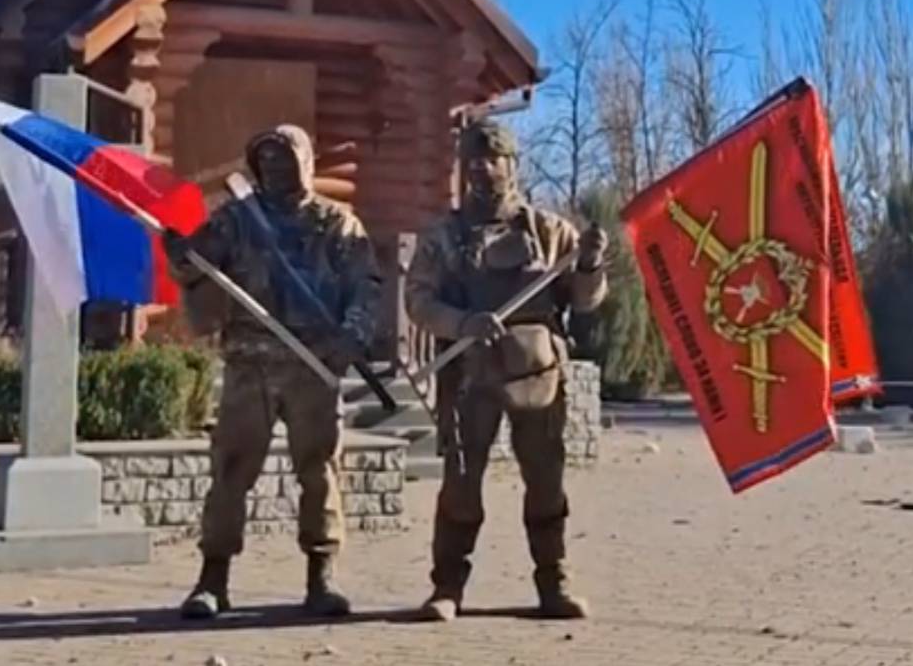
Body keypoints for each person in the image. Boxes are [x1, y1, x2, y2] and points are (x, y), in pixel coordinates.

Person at [165, 125, 381, 620]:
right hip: (250, 362)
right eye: (268, 161)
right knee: (231, 470)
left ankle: (321, 577)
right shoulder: (237, 220)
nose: (278, 169)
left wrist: (352, 333)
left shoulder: (336, 223)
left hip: (312, 364)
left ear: (306, 161)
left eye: (286, 159)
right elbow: (196, 264)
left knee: (320, 471)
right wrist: (180, 256)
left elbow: (364, 285)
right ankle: (212, 580)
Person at [407, 118, 609, 622]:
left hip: (537, 375)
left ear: (512, 165)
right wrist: (461, 322)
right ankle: (447, 585)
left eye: (493, 160)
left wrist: (589, 266)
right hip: (468, 374)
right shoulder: (442, 236)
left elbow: (583, 302)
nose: (482, 169)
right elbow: (418, 301)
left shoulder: (550, 231)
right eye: (472, 161)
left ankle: (553, 579)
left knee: (545, 479)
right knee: (460, 481)